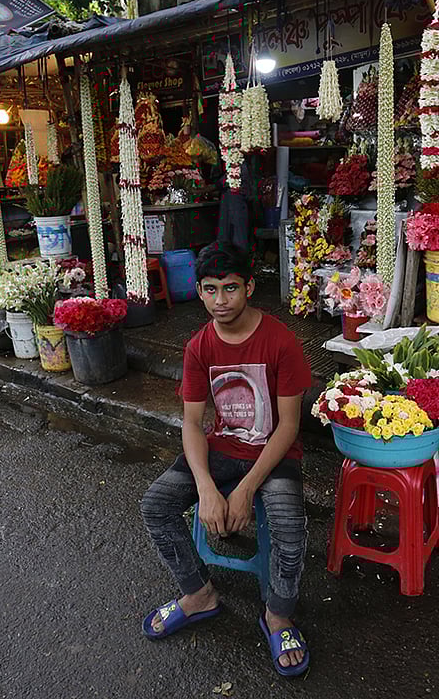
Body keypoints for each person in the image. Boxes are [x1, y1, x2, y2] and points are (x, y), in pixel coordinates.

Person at [140, 241, 312, 677]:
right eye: (211, 289)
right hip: (222, 448)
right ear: (198, 291)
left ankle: (278, 613)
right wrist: (206, 488)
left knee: (290, 527)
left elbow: (289, 426)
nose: (221, 301)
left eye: (231, 288)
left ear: (250, 286)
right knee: (155, 505)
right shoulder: (199, 347)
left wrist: (245, 490)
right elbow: (193, 424)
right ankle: (198, 594)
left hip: (274, 453)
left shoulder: (281, 341)